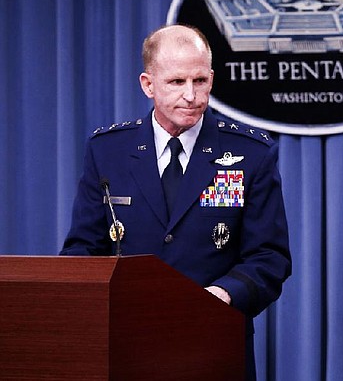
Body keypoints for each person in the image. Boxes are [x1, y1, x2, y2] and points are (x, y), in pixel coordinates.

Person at [60, 24, 292, 381]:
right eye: (176, 82)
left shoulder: (251, 154)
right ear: (148, 84)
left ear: (212, 79)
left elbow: (270, 257)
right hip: (125, 344)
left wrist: (223, 295)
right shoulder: (108, 151)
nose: (191, 95)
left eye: (200, 81)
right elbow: (82, 247)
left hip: (213, 344)